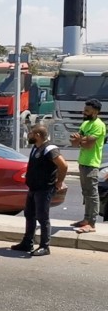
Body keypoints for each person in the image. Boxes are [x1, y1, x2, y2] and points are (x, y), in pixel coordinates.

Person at [11, 125, 68, 256]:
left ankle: (44, 246)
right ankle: (27, 243)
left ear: (37, 135)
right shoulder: (36, 147)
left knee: (42, 217)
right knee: (29, 214)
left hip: (44, 189)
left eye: (31, 133)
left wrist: (59, 181)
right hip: (33, 188)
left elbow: (63, 165)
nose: (29, 135)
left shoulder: (49, 149)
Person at [70, 98, 106, 234]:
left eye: (87, 111)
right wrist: (79, 140)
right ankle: (86, 219)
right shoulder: (85, 124)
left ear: (95, 112)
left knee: (92, 193)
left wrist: (80, 140)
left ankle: (91, 223)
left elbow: (89, 144)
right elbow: (74, 142)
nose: (83, 112)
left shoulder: (99, 125)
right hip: (83, 162)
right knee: (86, 193)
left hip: (92, 163)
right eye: (84, 110)